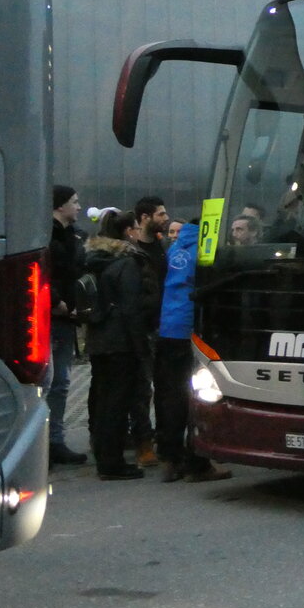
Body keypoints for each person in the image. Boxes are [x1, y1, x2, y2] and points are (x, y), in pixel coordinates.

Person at [155, 219, 232, 483]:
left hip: (168, 328)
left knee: (171, 395)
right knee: (198, 396)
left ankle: (169, 458)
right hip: (191, 329)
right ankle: (196, 463)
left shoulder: (174, 249)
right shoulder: (204, 250)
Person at [84, 210, 154, 480]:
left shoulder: (96, 259)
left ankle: (104, 457)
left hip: (98, 338)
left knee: (103, 402)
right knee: (117, 404)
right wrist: (140, 348)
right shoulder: (127, 263)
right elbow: (131, 309)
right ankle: (112, 464)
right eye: (136, 228)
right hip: (121, 342)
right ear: (128, 232)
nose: (138, 233)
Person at [45, 185, 87, 466]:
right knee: (53, 381)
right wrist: (57, 302)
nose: (80, 206)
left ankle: (53, 440)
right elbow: (44, 272)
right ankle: (50, 442)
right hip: (54, 315)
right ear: (60, 206)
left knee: (60, 382)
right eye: (74, 201)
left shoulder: (70, 236)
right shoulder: (49, 236)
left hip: (65, 315)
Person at [129, 195, 169, 467]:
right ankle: (143, 442)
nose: (165, 219)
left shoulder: (164, 248)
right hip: (141, 328)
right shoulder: (131, 251)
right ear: (145, 217)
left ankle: (165, 439)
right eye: (161, 214)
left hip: (164, 325)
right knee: (142, 389)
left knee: (167, 386)